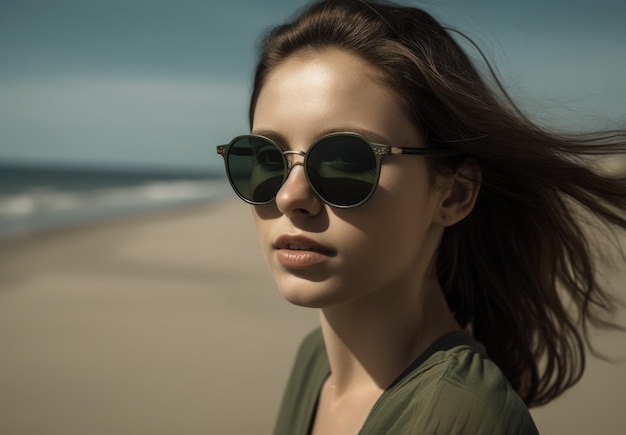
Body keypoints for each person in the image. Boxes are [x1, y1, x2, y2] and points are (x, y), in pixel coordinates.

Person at [216, 0, 626, 433]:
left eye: (345, 162)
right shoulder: (314, 361)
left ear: (455, 194)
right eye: (264, 159)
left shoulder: (466, 416)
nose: (289, 196)